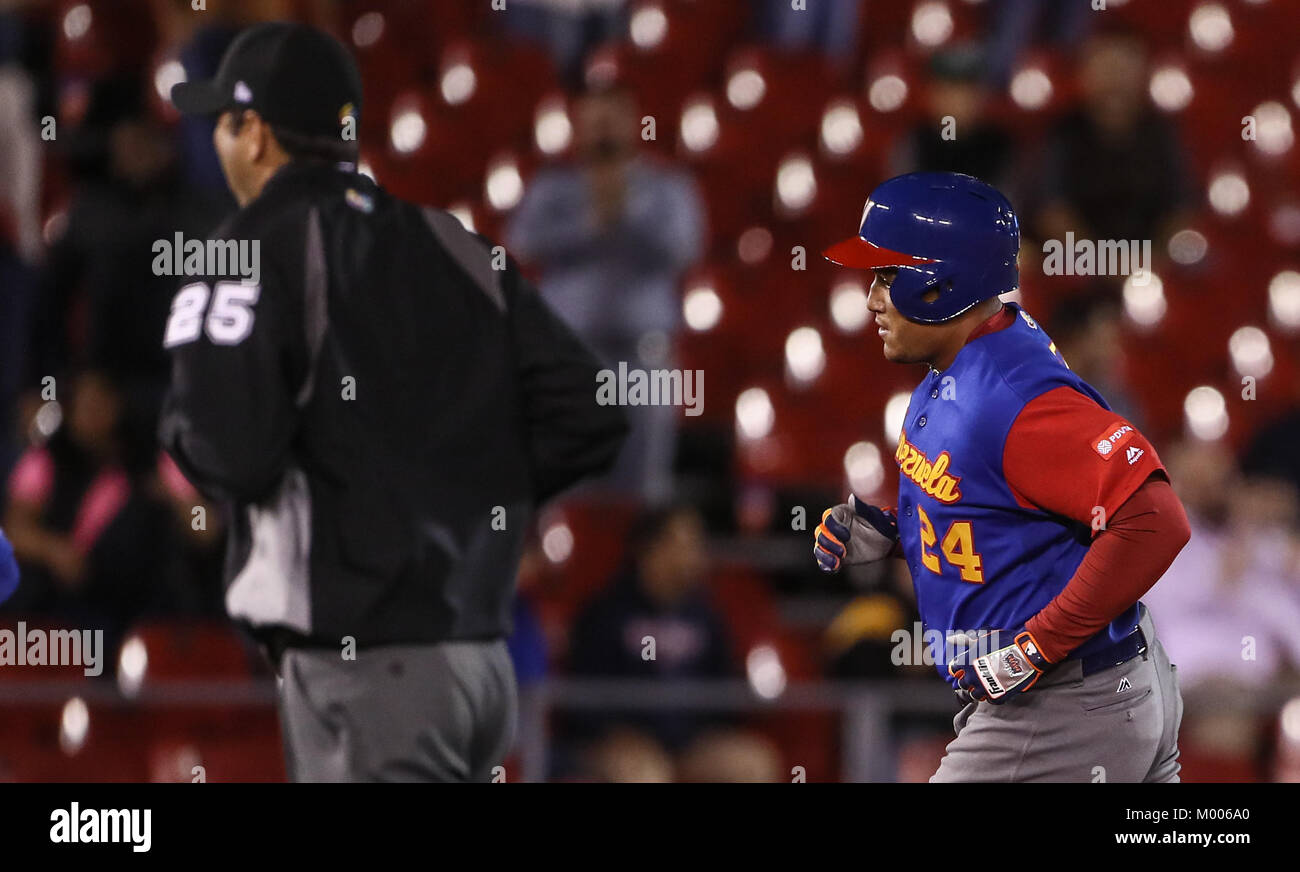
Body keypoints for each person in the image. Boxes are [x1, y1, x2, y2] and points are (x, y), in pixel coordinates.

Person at [162, 22, 627, 782]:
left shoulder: (246, 248)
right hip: (477, 663)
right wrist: (454, 495)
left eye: (225, 120)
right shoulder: (449, 242)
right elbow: (595, 408)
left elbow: (234, 454)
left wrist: (181, 426)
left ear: (254, 135)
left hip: (367, 669)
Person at [812, 172, 1191, 782]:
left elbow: (1156, 518)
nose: (872, 298)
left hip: (1061, 704)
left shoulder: (1010, 396)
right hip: (1100, 687)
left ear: (940, 282)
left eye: (887, 275)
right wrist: (899, 532)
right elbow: (1008, 511)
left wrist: (1038, 645)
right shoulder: (967, 357)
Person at [506, 81, 704, 501]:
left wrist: (626, 213)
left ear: (632, 124)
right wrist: (589, 223)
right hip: (572, 356)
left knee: (643, 493)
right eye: (593, 123)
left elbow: (685, 247)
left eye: (611, 122)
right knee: (568, 488)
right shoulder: (555, 187)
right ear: (579, 127)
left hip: (644, 357)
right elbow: (522, 241)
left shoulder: (667, 186)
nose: (603, 133)